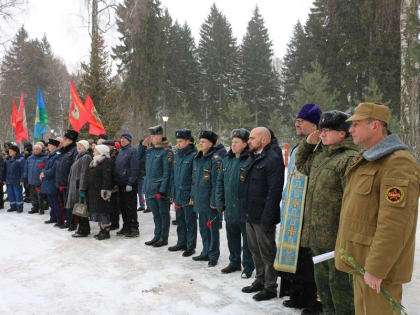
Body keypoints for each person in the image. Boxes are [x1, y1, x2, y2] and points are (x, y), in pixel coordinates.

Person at [335, 103, 420, 315]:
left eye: (356, 124)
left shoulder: (397, 163)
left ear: (375, 126)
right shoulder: (369, 159)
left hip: (378, 270)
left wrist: (376, 268)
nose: (350, 130)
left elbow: (395, 224)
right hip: (361, 262)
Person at [295, 111, 358, 315]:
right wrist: (308, 143)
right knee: (323, 289)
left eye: (326, 130)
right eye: (320, 130)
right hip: (317, 238)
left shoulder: (349, 159)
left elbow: (353, 204)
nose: (321, 134)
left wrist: (346, 237)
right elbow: (301, 165)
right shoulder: (321, 156)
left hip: (336, 240)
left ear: (342, 133)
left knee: (341, 291)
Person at [274, 104, 323, 314]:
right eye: (296, 120)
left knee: (308, 259)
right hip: (293, 209)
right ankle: (297, 295)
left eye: (301, 121)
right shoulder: (297, 147)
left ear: (315, 124)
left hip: (309, 211)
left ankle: (312, 300)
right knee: (297, 257)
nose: (297, 123)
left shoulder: (321, 148)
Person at [241, 127, 284, 301]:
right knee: (255, 250)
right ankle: (259, 280)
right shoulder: (255, 157)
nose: (248, 141)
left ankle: (270, 287)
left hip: (263, 217)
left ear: (264, 140)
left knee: (267, 252)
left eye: (252, 138)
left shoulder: (272, 158)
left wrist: (267, 218)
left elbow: (274, 192)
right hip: (251, 214)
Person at [216, 128, 255, 278]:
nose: (233, 145)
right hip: (230, 208)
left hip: (244, 208)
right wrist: (220, 202)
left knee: (247, 240)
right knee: (231, 236)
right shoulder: (227, 160)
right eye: (232, 142)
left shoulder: (250, 160)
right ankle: (234, 262)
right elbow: (220, 183)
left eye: (237, 142)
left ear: (245, 144)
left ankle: (248, 266)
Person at [190, 130, 222, 267]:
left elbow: (216, 184)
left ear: (210, 144)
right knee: (203, 228)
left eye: (203, 142)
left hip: (210, 203)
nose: (200, 143)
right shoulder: (197, 159)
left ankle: (213, 255)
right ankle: (205, 252)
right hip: (200, 199)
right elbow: (194, 181)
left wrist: (214, 201)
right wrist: (192, 197)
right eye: (200, 141)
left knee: (212, 230)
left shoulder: (215, 160)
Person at [168, 129, 198, 256]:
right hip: (178, 194)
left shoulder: (194, 156)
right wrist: (172, 193)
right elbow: (173, 176)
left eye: (180, 141)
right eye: (177, 141)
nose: (178, 144)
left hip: (187, 194)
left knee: (190, 222)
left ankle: (190, 246)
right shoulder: (177, 156)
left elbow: (195, 179)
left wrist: (193, 195)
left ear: (188, 141)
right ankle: (181, 242)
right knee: (180, 221)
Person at [142, 125, 173, 247]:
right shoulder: (150, 151)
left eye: (154, 135)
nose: (151, 138)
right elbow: (139, 160)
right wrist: (142, 146)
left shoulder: (166, 151)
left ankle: (163, 237)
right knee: (156, 214)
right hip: (150, 188)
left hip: (160, 189)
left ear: (160, 136)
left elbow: (167, 173)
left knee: (163, 214)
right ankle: (157, 235)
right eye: (151, 136)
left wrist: (163, 189)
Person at [114, 132, 139, 238]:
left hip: (129, 185)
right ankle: (126, 226)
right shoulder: (120, 151)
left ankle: (134, 228)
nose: (122, 140)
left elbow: (135, 168)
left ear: (129, 140)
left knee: (130, 207)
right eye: (121, 138)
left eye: (124, 138)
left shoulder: (132, 151)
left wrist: (130, 182)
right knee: (123, 207)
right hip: (120, 184)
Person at [86, 145, 114, 240]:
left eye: (95, 150)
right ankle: (101, 230)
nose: (93, 151)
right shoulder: (96, 161)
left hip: (102, 190)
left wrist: (106, 190)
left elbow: (107, 176)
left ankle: (106, 231)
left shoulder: (106, 161)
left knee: (104, 211)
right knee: (99, 210)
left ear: (101, 151)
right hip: (95, 190)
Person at [66, 140, 92, 238]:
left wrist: (82, 188)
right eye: (78, 145)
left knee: (81, 209)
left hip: (79, 188)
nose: (78, 147)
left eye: (81, 145)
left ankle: (83, 230)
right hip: (75, 187)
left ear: (85, 147)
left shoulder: (86, 157)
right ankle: (83, 228)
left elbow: (84, 174)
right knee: (78, 208)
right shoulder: (79, 156)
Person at [56, 130, 79, 231]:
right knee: (66, 203)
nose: (63, 141)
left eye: (65, 139)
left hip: (69, 182)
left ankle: (73, 223)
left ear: (70, 140)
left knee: (71, 204)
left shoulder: (74, 150)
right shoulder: (63, 150)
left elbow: (74, 167)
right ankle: (68, 221)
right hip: (62, 182)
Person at [41, 139, 62, 226]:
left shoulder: (57, 155)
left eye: (50, 145)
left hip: (53, 181)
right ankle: (53, 217)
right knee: (51, 202)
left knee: (55, 202)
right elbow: (45, 167)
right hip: (48, 181)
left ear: (54, 146)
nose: (48, 147)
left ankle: (59, 220)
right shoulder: (51, 155)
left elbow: (54, 170)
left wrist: (44, 173)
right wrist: (43, 172)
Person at [23, 144, 47, 214]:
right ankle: (35, 207)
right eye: (34, 149)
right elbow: (26, 169)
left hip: (39, 182)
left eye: (37, 149)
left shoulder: (44, 158)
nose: (35, 151)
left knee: (40, 196)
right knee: (33, 196)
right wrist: (25, 177)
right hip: (31, 181)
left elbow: (45, 168)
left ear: (40, 150)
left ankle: (41, 208)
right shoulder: (29, 158)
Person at [4, 145, 25, 213]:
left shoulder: (21, 159)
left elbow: (23, 170)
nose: (9, 152)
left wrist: (22, 180)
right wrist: (5, 179)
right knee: (10, 194)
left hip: (17, 180)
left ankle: (19, 207)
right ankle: (13, 206)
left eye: (11, 151)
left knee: (18, 194)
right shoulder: (8, 159)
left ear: (15, 152)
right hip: (9, 180)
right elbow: (6, 170)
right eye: (9, 151)